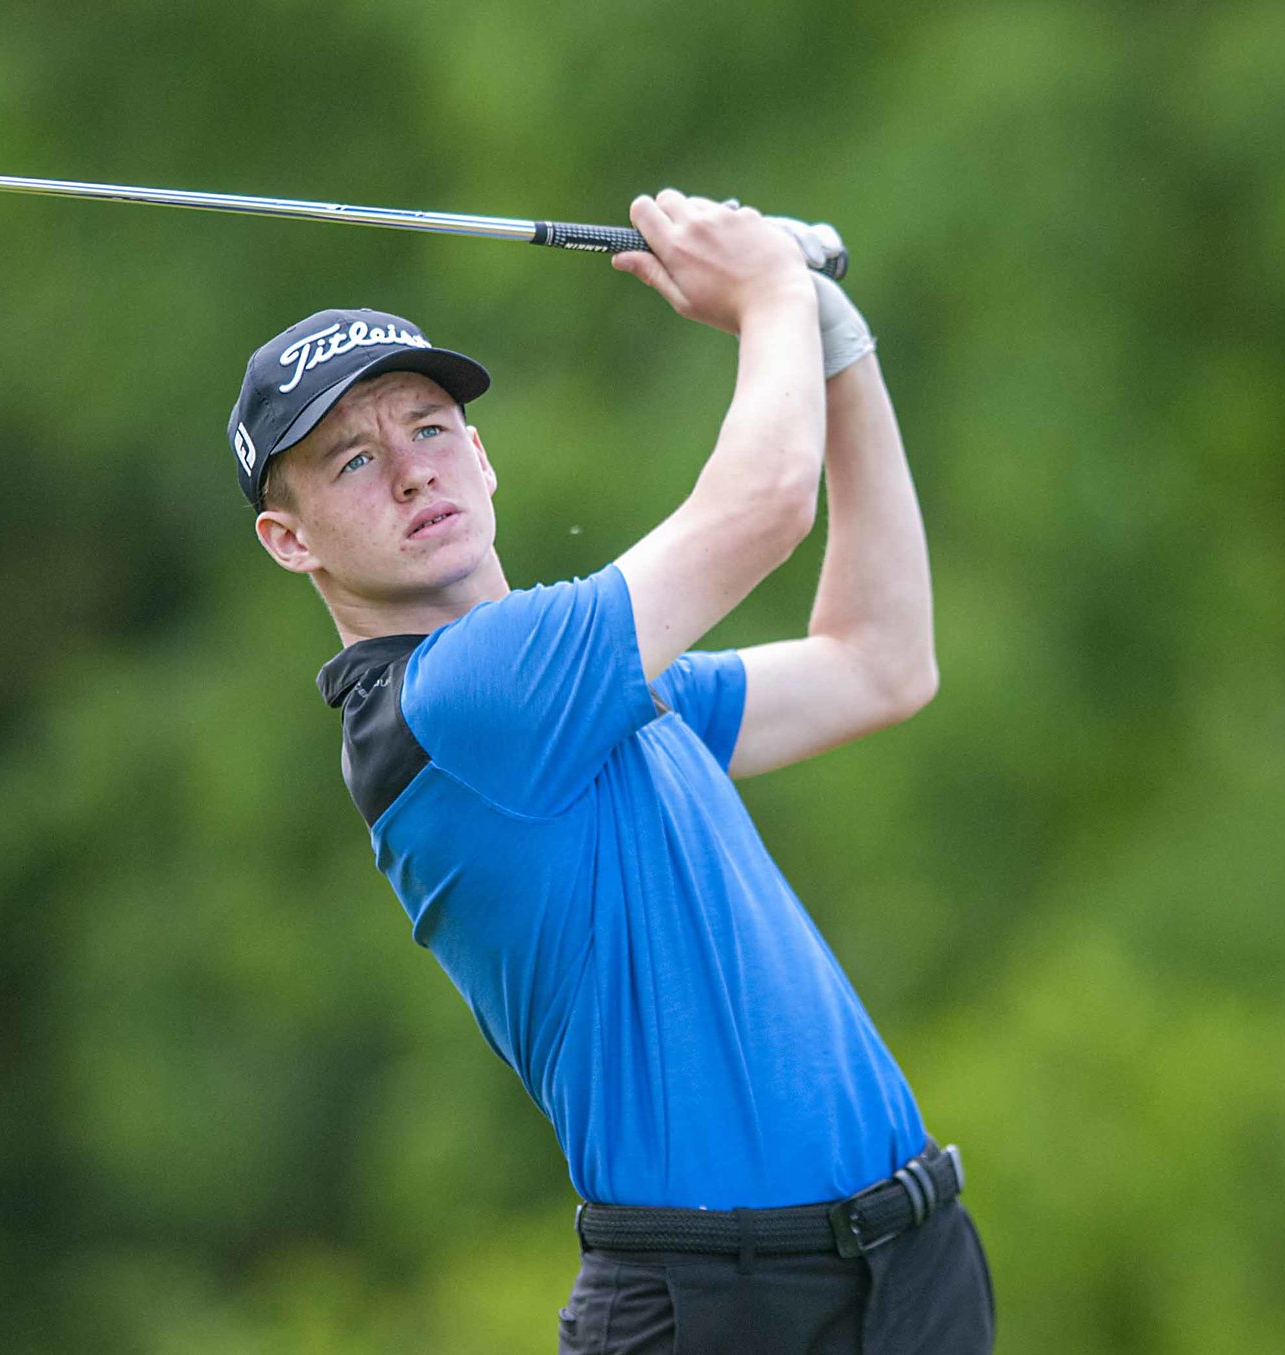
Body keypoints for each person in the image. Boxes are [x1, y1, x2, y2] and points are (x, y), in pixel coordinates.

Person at [225, 189, 993, 1353]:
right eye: (351, 461)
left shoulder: (597, 695)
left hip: (909, 1266)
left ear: (482, 456)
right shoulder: (465, 694)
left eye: (429, 429)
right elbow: (764, 506)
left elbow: (881, 662)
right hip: (721, 1308)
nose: (411, 473)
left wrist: (834, 343)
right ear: (291, 539)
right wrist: (772, 291)